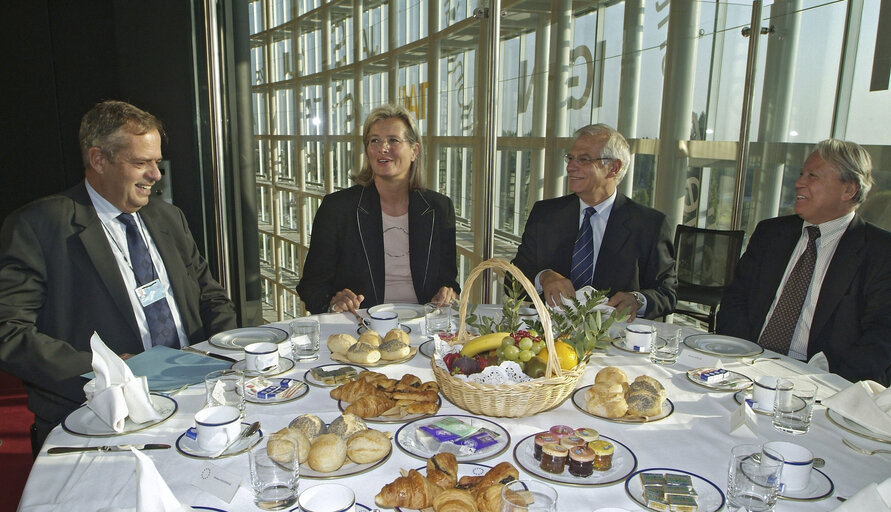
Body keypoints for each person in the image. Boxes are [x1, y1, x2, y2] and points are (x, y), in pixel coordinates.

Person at [0, 100, 238, 450]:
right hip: (101, 419)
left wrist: (225, 356)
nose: (156, 175)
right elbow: (9, 331)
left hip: (198, 401)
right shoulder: (39, 227)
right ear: (99, 160)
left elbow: (211, 296)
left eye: (156, 162)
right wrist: (106, 370)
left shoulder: (169, 218)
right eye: (141, 163)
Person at [717, 139, 891, 385]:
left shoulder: (880, 252)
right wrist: (738, 356)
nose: (799, 182)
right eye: (801, 174)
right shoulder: (771, 233)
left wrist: (828, 386)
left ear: (848, 190)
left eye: (813, 176)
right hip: (747, 366)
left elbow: (881, 335)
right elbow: (736, 298)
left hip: (821, 383)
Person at [296, 104, 460, 315]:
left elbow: (448, 282)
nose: (383, 148)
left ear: (414, 151)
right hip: (360, 327)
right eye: (375, 140)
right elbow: (311, 286)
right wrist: (333, 302)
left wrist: (448, 293)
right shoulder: (338, 209)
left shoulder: (439, 208)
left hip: (423, 323)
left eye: (393, 140)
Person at [512, 123, 677, 319]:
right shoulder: (546, 214)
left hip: (613, 339)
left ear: (613, 168)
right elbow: (512, 280)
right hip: (548, 334)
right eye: (571, 158)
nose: (570, 167)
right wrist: (544, 276)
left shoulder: (650, 224)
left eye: (584, 159)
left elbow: (667, 293)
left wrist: (637, 299)